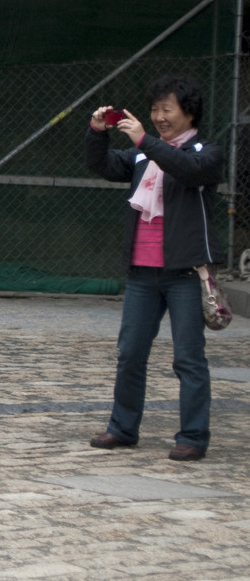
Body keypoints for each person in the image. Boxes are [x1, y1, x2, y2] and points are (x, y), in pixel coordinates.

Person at [85, 75, 224, 462]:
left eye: (167, 109)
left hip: (184, 272)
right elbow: (105, 165)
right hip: (142, 273)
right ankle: (122, 428)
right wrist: (98, 132)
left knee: (188, 358)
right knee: (130, 353)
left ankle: (193, 436)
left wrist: (146, 139)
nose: (159, 116)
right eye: (154, 109)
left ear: (188, 111)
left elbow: (186, 169)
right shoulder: (144, 154)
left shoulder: (205, 151)